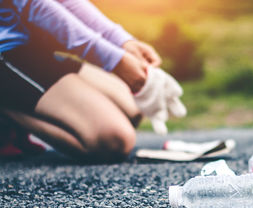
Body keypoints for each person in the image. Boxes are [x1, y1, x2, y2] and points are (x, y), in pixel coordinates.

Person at [0, 0, 185, 162]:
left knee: (133, 109)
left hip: (31, 47)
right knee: (114, 141)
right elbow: (36, 5)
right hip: (6, 52)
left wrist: (122, 42)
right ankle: (7, 111)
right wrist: (115, 61)